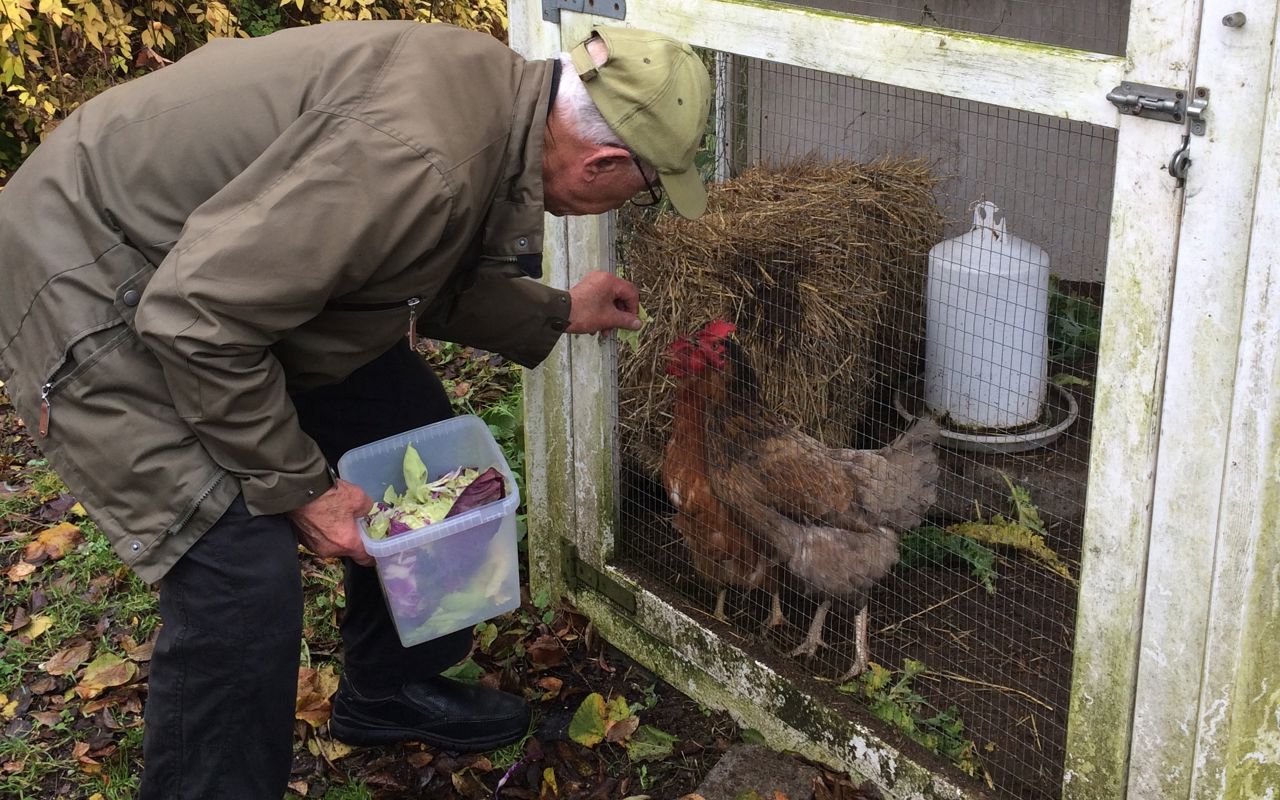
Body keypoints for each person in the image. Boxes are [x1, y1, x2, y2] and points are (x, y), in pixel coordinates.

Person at [0, 21, 710, 798]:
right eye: (644, 188)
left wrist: (551, 311)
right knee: (240, 574)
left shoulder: (500, 102)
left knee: (418, 435)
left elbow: (399, 259)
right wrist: (306, 489)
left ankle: (388, 687)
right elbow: (196, 320)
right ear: (603, 161)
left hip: (211, 275)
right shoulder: (419, 157)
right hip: (94, 277)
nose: (636, 201)